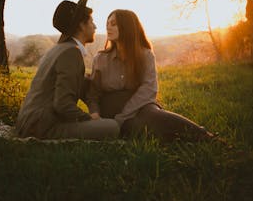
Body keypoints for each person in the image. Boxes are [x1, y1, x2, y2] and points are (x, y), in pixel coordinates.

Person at [86, 9, 214, 142]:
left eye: (113, 24)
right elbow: (93, 93)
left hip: (140, 106)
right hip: (111, 110)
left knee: (154, 115)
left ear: (127, 26)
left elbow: (149, 89)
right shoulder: (100, 58)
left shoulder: (145, 55)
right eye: (107, 23)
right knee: (143, 128)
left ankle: (205, 137)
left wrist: (124, 116)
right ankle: (197, 138)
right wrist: (95, 115)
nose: (108, 27)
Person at [16, 0, 120, 140]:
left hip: (30, 123)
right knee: (112, 127)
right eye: (92, 22)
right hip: (42, 127)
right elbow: (62, 104)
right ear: (81, 26)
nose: (95, 26)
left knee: (106, 125)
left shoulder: (59, 49)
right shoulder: (71, 52)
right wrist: (89, 119)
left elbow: (77, 85)